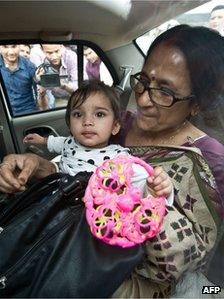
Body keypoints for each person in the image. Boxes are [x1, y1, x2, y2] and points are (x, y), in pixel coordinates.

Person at [0, 25, 224, 297]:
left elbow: (189, 255)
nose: (142, 99)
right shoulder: (125, 123)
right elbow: (79, 169)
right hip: (69, 234)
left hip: (127, 268)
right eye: (143, 80)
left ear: (197, 103)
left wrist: (134, 203)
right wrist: (37, 166)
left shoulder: (210, 161)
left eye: (165, 92)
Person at [23, 80, 173, 201]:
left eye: (99, 114)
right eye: (78, 114)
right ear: (69, 123)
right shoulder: (70, 142)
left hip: (84, 215)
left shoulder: (119, 159)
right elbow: (57, 143)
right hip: (52, 197)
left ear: (115, 127)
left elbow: (140, 181)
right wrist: (43, 140)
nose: (87, 121)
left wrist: (154, 188)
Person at [36, 44, 78, 108]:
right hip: (57, 100)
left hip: (75, 97)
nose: (54, 57)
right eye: (49, 53)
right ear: (42, 50)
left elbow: (79, 89)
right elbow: (43, 107)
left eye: (57, 51)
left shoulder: (71, 57)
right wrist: (42, 93)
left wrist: (61, 84)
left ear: (61, 46)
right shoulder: (42, 67)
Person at [0, 45, 38, 115]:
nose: (11, 52)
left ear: (19, 46)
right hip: (4, 111)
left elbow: (39, 91)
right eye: (5, 47)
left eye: (14, 46)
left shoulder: (30, 66)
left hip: (27, 110)